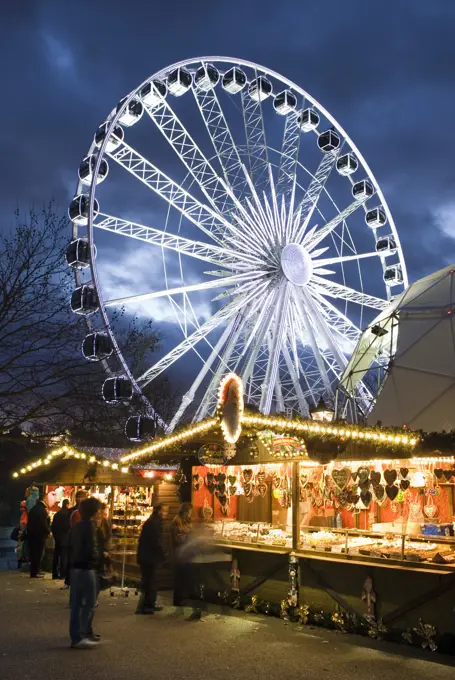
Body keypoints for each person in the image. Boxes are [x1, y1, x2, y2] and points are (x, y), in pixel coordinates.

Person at [68, 496, 101, 649]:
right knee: (89, 602)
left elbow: (69, 545)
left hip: (75, 567)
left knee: (76, 604)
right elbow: (91, 549)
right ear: (94, 512)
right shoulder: (90, 527)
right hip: (87, 567)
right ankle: (82, 634)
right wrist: (98, 560)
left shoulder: (77, 526)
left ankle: (75, 636)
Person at [136, 503, 168, 615]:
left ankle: (147, 605)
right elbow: (157, 542)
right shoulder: (154, 523)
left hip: (146, 556)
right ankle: (147, 606)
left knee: (149, 581)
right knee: (150, 582)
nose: (166, 514)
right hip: (149, 557)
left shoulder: (153, 522)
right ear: (158, 511)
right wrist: (164, 556)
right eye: (164, 511)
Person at [63, 490, 87, 588]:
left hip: (73, 539)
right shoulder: (77, 511)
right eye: (80, 497)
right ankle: (71, 581)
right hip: (75, 539)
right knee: (73, 561)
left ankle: (69, 581)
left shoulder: (73, 510)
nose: (80, 499)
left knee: (72, 561)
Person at [171, 503, 193, 607]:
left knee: (184, 577)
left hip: (185, 553)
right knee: (179, 577)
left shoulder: (186, 520)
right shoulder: (177, 521)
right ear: (185, 511)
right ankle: (178, 600)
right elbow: (178, 538)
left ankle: (183, 598)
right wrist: (188, 536)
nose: (190, 514)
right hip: (179, 553)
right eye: (189, 512)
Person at [27, 492, 50, 578]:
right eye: (47, 498)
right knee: (38, 553)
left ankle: (34, 572)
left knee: (34, 554)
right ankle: (35, 572)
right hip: (39, 535)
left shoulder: (34, 508)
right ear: (44, 499)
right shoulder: (42, 510)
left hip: (32, 535)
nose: (48, 500)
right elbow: (43, 523)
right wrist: (48, 531)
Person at [51, 499, 70, 580]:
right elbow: (67, 526)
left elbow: (53, 526)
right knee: (64, 556)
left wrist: (55, 536)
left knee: (56, 555)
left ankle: (54, 573)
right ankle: (62, 574)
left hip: (57, 537)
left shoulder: (57, 514)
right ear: (67, 505)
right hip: (65, 537)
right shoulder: (68, 514)